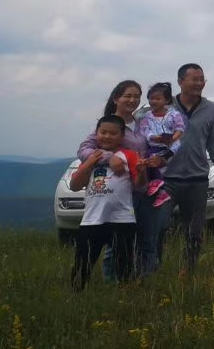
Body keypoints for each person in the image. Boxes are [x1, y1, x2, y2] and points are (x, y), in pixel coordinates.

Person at [76, 81, 146, 283]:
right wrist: (108, 157)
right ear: (116, 98)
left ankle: (133, 280)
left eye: (136, 96)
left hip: (137, 188)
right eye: (127, 95)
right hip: (107, 191)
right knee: (107, 246)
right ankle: (111, 281)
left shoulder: (141, 123)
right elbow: (84, 150)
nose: (132, 100)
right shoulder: (107, 124)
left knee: (133, 242)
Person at [162, 64, 214, 274]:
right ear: (180, 82)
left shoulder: (211, 109)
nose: (199, 84)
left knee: (195, 230)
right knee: (158, 226)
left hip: (197, 178)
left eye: (202, 79)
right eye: (194, 79)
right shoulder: (164, 106)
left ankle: (188, 270)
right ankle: (152, 268)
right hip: (165, 178)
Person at [69, 115, 141, 288]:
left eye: (113, 133)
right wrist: (90, 162)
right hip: (92, 219)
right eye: (103, 132)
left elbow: (139, 185)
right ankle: (77, 293)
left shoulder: (129, 156)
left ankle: (125, 293)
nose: (107, 136)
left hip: (122, 219)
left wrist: (142, 171)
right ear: (96, 134)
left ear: (122, 136)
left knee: (124, 263)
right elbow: (74, 185)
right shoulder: (91, 157)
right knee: (82, 261)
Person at [133, 82, 179, 276]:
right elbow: (146, 135)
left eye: (158, 98)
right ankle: (141, 269)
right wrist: (158, 138)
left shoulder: (174, 116)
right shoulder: (143, 118)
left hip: (169, 165)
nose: (153, 101)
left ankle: (150, 270)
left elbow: (179, 136)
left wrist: (170, 144)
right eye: (151, 98)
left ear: (167, 100)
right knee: (143, 228)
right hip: (144, 168)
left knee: (156, 228)